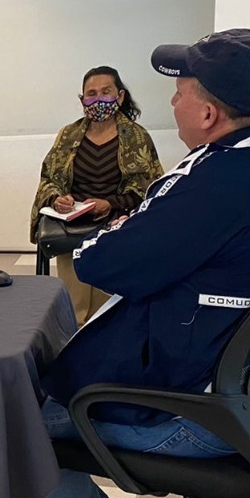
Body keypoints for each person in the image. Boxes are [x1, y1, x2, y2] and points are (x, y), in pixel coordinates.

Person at [0, 29, 250, 498]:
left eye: (180, 92)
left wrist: (123, 229)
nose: (172, 101)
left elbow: (99, 262)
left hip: (189, 412)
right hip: (245, 393)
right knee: (49, 379)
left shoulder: (219, 183)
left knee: (13, 415)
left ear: (209, 113)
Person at [32, 66, 163, 323]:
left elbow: (150, 187)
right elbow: (49, 178)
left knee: (109, 312)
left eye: (106, 92)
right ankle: (73, 333)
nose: (98, 99)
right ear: (82, 99)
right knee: (74, 308)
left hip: (118, 225)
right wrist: (57, 199)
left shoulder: (137, 138)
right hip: (73, 226)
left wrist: (109, 203)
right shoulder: (68, 136)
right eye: (91, 94)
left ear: (120, 96)